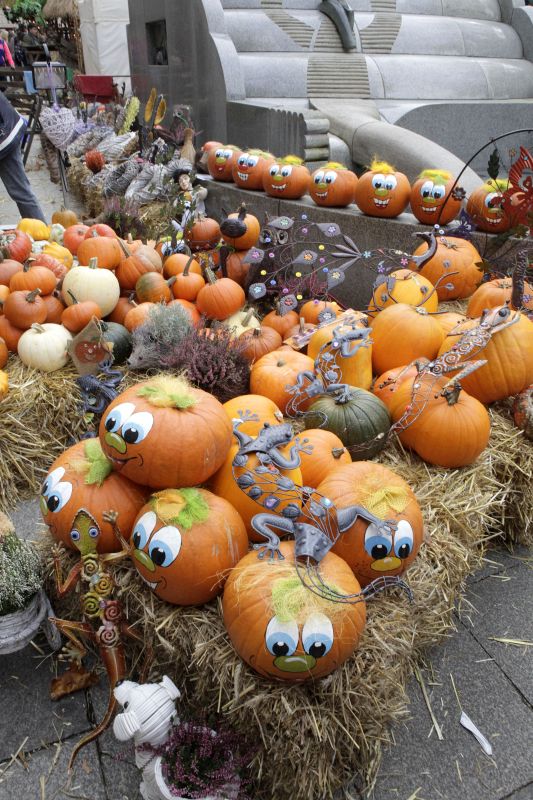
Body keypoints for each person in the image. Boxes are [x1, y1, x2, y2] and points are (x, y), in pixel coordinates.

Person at [0, 92, 46, 221]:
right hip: (7, 126)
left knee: (20, 191)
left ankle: (40, 230)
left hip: (5, 135)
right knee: (20, 191)